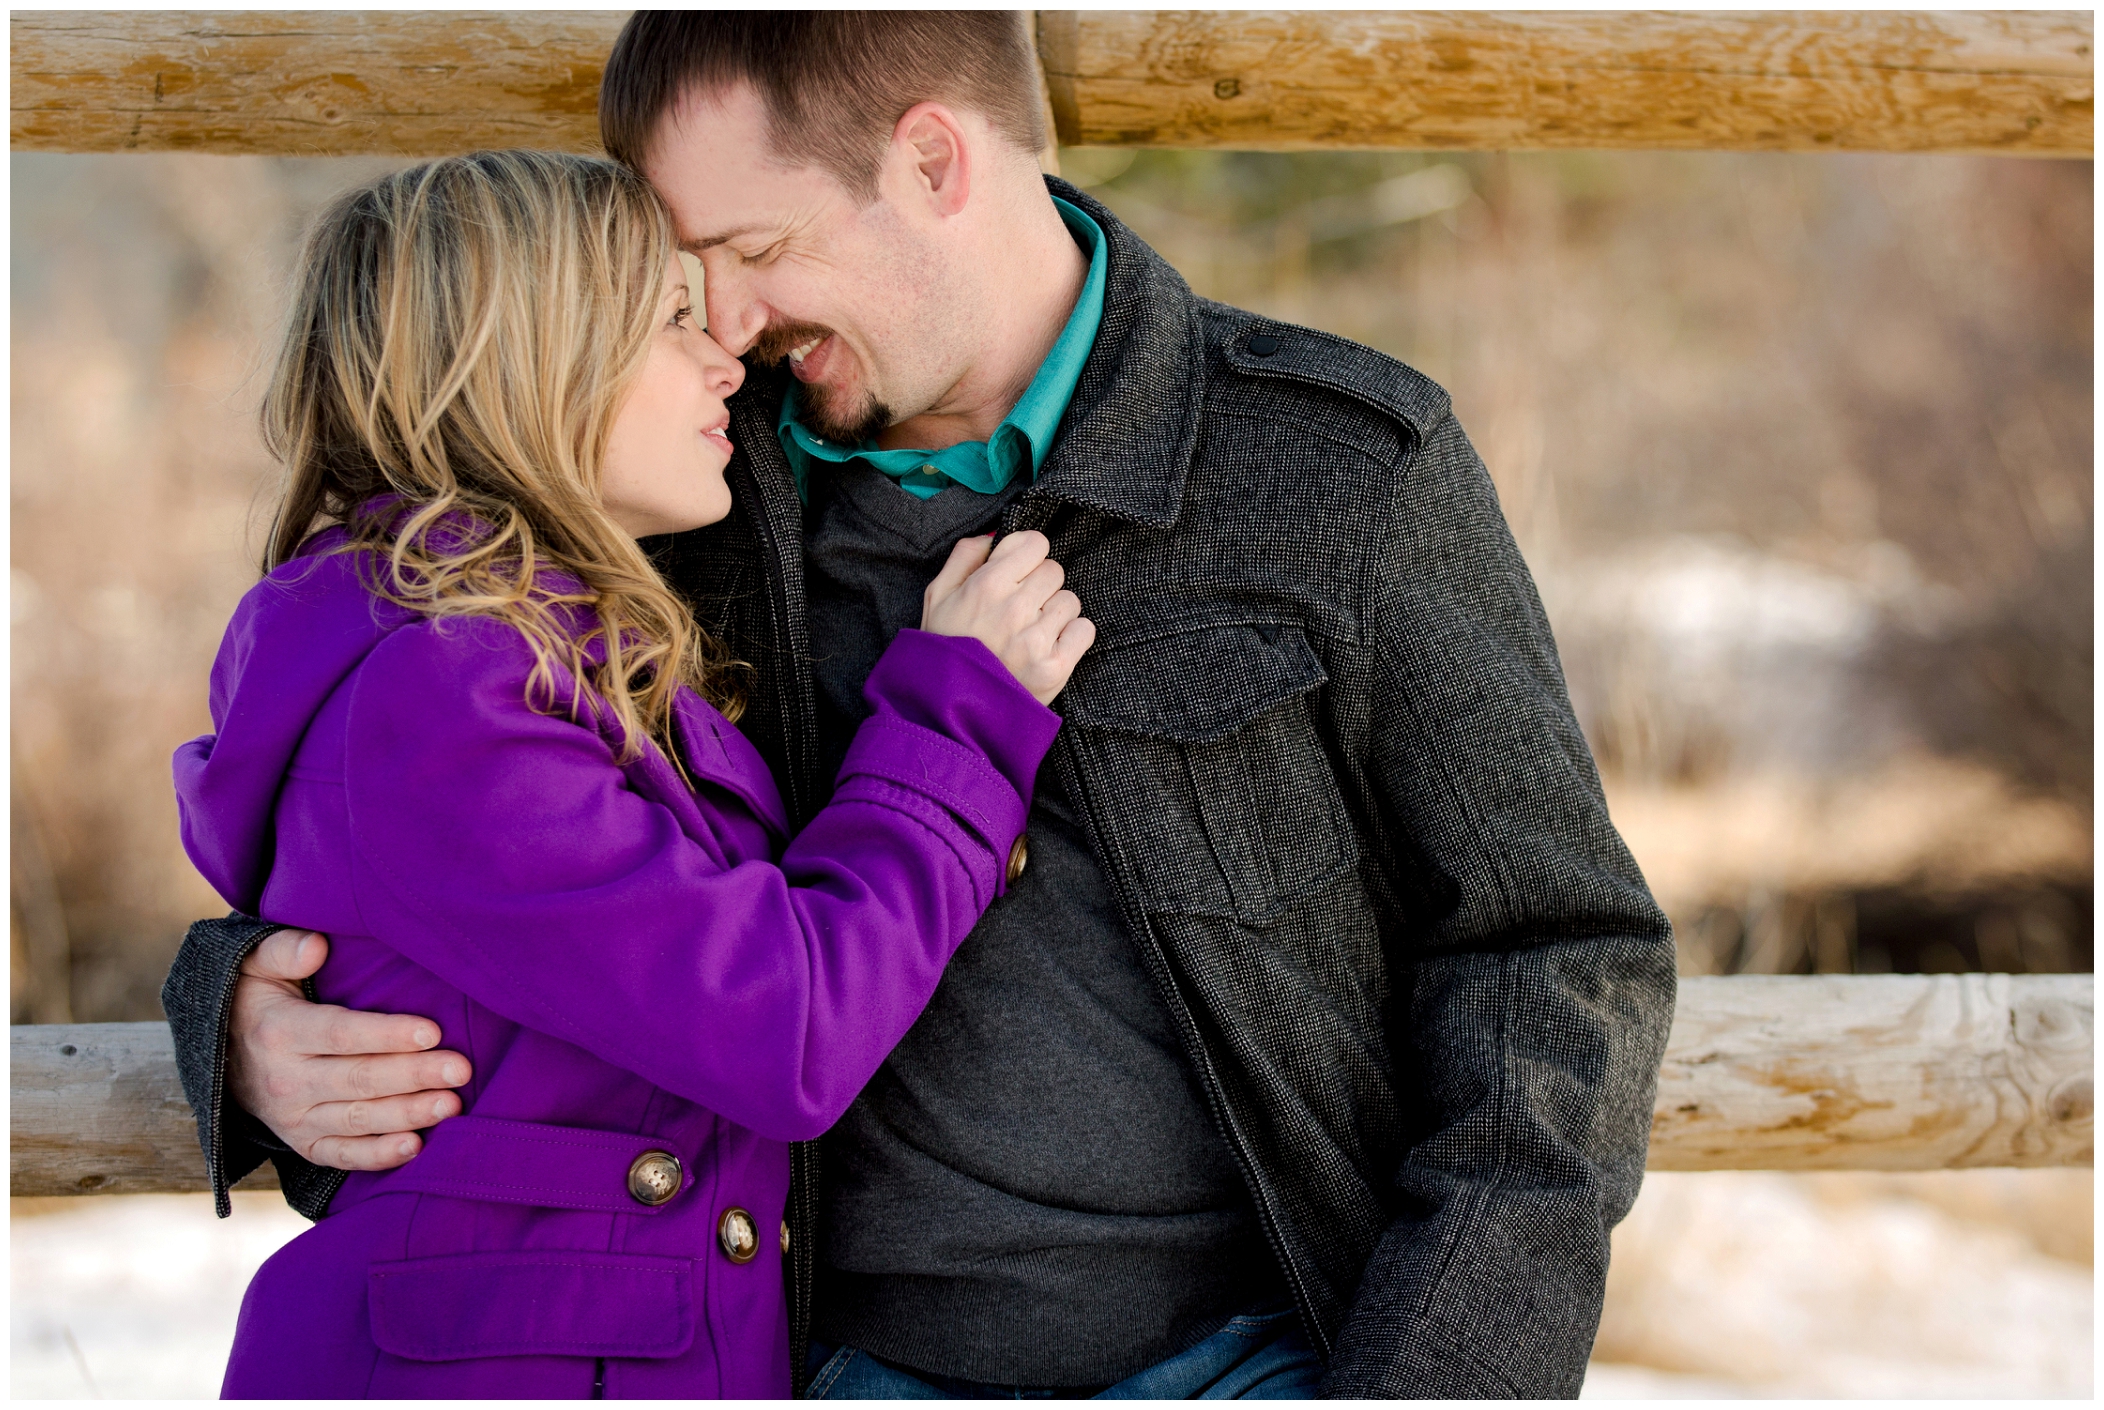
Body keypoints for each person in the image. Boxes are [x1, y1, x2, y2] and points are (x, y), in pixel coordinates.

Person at [164, 12, 1678, 1400]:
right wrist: (242, 1017)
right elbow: (435, 795)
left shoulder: (1338, 467)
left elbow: (1557, 951)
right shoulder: (657, 491)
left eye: (752, 248)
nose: (732, 327)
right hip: (799, 1363)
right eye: (686, 285)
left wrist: (1442, 1382)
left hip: (1259, 1361)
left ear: (934, 160)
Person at [171, 148, 1090, 1397]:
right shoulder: (439, 696)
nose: (727, 355)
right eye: (667, 319)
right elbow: (785, 1024)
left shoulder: (524, 648)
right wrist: (958, 719)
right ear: (521, 365)